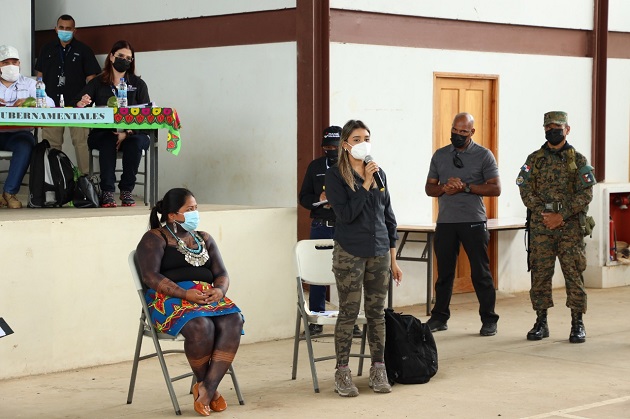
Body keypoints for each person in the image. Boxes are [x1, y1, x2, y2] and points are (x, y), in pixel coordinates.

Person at [136, 188, 243, 416]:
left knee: (234, 320)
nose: (196, 213)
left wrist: (220, 290)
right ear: (173, 215)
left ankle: (205, 388)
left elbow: (221, 272)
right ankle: (210, 390)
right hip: (170, 299)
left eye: (196, 208)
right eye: (190, 209)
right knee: (201, 326)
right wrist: (184, 294)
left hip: (206, 296)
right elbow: (150, 276)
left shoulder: (204, 238)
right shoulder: (155, 238)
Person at [325, 119, 403, 397]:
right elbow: (345, 215)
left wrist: (393, 259)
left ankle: (378, 368)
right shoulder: (336, 176)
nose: (363, 143)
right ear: (345, 144)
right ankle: (343, 372)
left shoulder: (380, 174)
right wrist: (366, 184)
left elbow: (389, 218)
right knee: (349, 312)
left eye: (367, 137)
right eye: (357, 139)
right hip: (350, 251)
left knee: (377, 313)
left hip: (380, 251)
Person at [516, 111, 595, 344]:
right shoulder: (534, 159)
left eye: (558, 126)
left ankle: (577, 323)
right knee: (540, 274)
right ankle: (541, 321)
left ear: (567, 129)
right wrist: (545, 214)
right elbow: (524, 188)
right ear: (544, 130)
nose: (553, 130)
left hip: (569, 229)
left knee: (574, 274)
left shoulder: (578, 160)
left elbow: (586, 193)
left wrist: (561, 215)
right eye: (549, 126)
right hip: (542, 228)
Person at [425, 112, 501, 336]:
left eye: (463, 132)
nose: (457, 135)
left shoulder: (484, 156)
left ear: (472, 132)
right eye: (454, 131)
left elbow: (495, 189)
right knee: (444, 274)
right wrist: (444, 188)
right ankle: (439, 317)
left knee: (481, 272)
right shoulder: (439, 155)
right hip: (446, 222)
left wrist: (466, 187)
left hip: (473, 221)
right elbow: (430, 188)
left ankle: (489, 319)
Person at [299, 125, 362, 338]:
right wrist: (319, 200)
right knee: (318, 272)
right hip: (321, 226)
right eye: (326, 146)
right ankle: (317, 316)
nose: (331, 150)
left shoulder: (354, 165)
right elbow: (304, 197)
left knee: (349, 273)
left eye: (334, 146)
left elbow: (361, 195)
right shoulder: (315, 166)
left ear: (343, 145)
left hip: (346, 226)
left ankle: (350, 319)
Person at [74, 40, 150, 207]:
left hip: (132, 134)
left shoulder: (138, 84)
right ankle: (107, 191)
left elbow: (147, 116)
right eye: (120, 56)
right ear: (111, 57)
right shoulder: (98, 82)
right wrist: (82, 103)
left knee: (136, 143)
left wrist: (127, 133)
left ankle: (126, 190)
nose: (124, 60)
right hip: (102, 134)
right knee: (108, 139)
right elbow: (78, 103)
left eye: (128, 58)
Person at [35, 14, 101, 175]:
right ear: (56, 29)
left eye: (68, 28)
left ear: (74, 30)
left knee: (81, 143)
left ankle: (86, 181)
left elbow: (92, 80)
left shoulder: (84, 50)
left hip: (77, 106)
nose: (65, 31)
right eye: (61, 28)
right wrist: (40, 100)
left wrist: (85, 101)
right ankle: (53, 182)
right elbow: (39, 76)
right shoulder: (46, 49)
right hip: (51, 105)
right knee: (51, 145)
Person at [0, 45, 54, 209]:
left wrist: (31, 102)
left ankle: (9, 193)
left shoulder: (30, 84)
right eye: (6, 62)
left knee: (25, 145)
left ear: (19, 63)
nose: (11, 65)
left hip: (19, 134)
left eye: (14, 62)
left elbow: (50, 104)